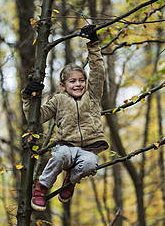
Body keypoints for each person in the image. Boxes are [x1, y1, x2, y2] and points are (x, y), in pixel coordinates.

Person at [22, 25, 108, 211]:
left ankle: (70, 181)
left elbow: (98, 72)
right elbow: (35, 118)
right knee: (60, 155)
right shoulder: (58, 100)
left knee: (90, 165)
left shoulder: (92, 95)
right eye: (72, 81)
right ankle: (42, 187)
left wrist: (93, 43)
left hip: (88, 148)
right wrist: (28, 97)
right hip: (66, 146)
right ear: (62, 85)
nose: (78, 84)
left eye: (81, 80)